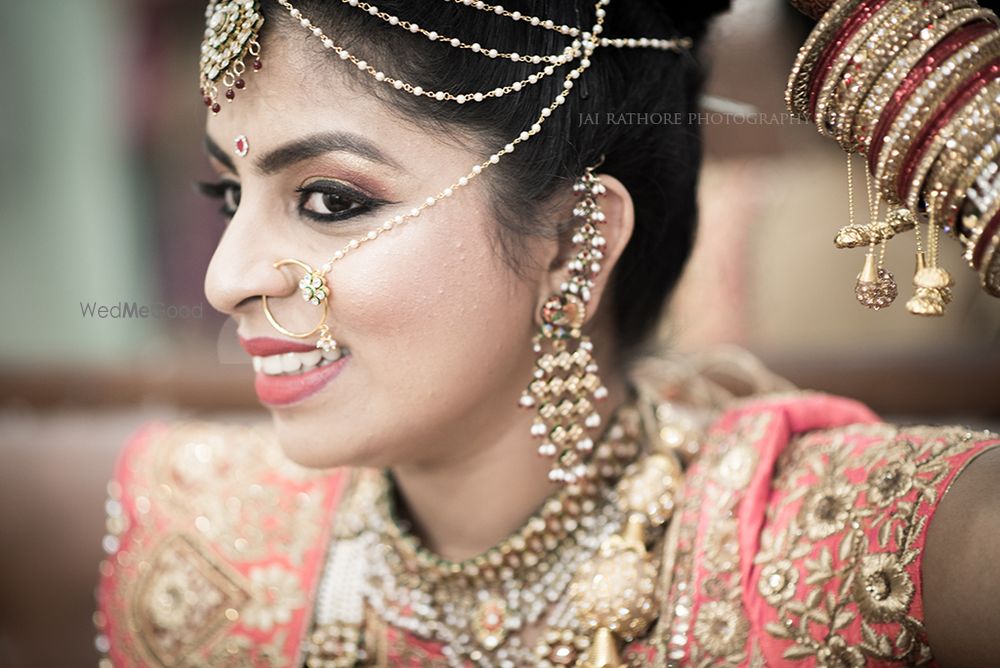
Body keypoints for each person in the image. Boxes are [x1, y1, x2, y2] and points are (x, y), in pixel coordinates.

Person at [95, 1, 1000, 666]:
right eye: (227, 194)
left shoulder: (843, 549)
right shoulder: (199, 527)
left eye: (330, 202)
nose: (223, 280)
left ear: (573, 242)